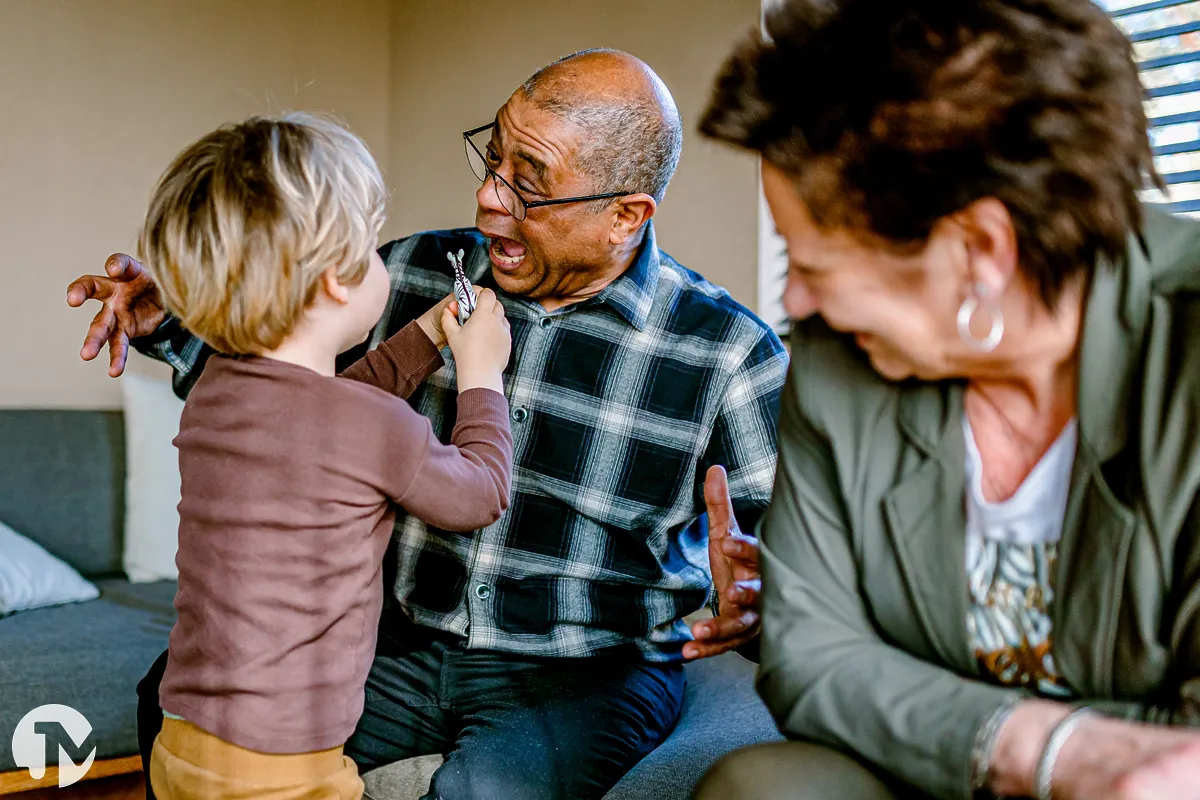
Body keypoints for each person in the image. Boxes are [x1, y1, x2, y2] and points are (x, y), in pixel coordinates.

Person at [66, 50, 788, 799]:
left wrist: (771, 602)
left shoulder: (731, 355)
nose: (487, 198)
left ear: (625, 216)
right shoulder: (408, 272)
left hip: (584, 671)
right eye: (493, 156)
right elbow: (280, 400)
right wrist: (171, 321)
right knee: (180, 707)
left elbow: (804, 559)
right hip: (395, 642)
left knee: (485, 792)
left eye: (529, 183)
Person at [691, 1, 1200, 799]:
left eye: (812, 261)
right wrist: (1042, 744)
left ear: (981, 250)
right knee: (760, 787)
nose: (796, 299)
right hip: (946, 765)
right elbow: (811, 655)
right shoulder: (834, 364)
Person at [130, 111, 514, 800]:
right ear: (338, 281)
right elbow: (479, 492)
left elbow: (326, 411)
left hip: (181, 734)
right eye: (369, 250)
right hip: (287, 766)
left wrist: (425, 336)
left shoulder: (216, 388)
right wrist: (482, 375)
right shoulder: (372, 426)